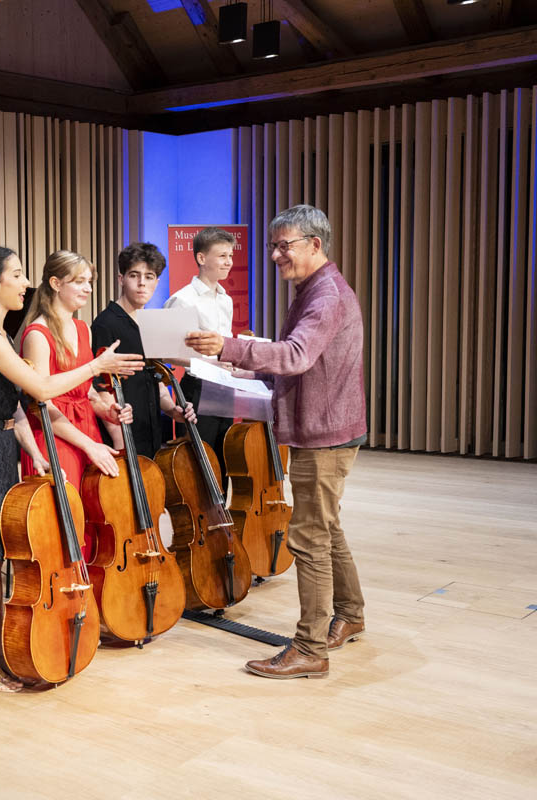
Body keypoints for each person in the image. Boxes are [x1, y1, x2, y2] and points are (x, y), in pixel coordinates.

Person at [186, 204, 367, 680]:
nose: (274, 255)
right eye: (273, 246)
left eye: (284, 246)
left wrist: (228, 347)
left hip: (323, 434)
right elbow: (303, 362)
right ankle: (350, 614)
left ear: (315, 244)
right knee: (326, 527)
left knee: (308, 537)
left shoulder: (324, 295)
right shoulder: (315, 290)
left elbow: (298, 355)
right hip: (326, 428)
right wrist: (246, 367)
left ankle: (309, 649)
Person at [0, 246, 143, 690]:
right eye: (17, 274)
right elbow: (40, 390)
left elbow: (12, 407)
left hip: (1, 443)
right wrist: (97, 365)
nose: (26, 282)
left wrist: (34, 452)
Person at [17, 250, 132, 492]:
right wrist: (88, 445)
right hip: (55, 436)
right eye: (79, 281)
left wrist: (107, 411)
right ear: (55, 283)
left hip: (87, 432)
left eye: (89, 282)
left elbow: (85, 391)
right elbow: (42, 404)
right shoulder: (37, 334)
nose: (88, 289)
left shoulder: (83, 329)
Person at [90, 242, 196, 458]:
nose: (141, 284)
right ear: (121, 279)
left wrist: (172, 410)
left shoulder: (150, 323)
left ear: (157, 282)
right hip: (122, 438)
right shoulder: (105, 324)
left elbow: (156, 380)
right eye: (134, 275)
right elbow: (100, 388)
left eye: (149, 277)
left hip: (150, 432)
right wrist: (120, 439)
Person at [165, 227, 237, 487]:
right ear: (201, 258)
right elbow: (167, 351)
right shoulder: (183, 300)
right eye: (222, 256)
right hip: (198, 388)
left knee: (223, 460)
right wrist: (209, 362)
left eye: (230, 256)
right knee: (199, 464)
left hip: (224, 387)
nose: (228, 262)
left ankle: (221, 513)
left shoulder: (226, 299)